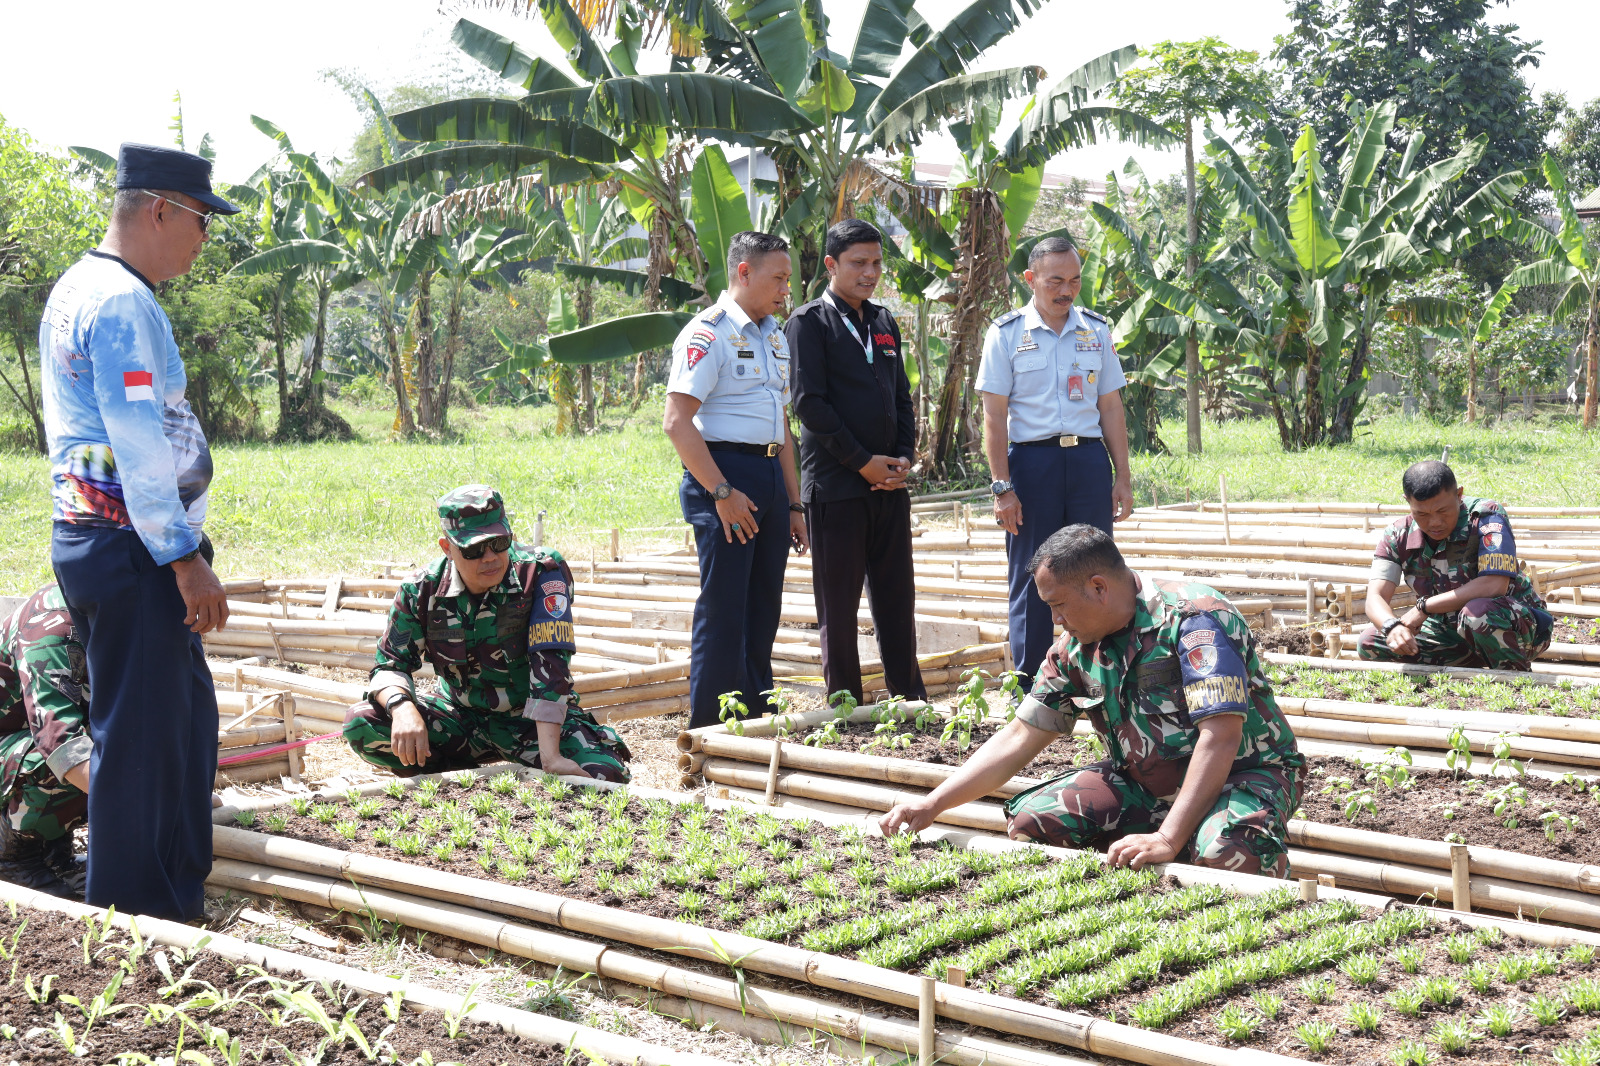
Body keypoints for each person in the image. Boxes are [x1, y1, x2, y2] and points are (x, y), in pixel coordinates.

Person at [40, 142, 234, 922]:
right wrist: (185, 560)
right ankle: (136, 915)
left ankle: (176, 884)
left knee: (180, 718)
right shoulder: (119, 302)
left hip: (103, 541)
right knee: (142, 737)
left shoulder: (80, 287)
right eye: (199, 220)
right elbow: (138, 443)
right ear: (159, 209)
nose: (204, 237)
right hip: (134, 548)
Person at [880, 525, 1304, 878]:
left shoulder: (1194, 618)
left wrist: (1168, 838)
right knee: (1032, 822)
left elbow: (1221, 737)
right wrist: (933, 803)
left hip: (1246, 774)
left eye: (1059, 605)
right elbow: (1020, 735)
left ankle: (1198, 837)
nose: (1055, 620)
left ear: (1099, 587)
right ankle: (1173, 838)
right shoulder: (1074, 650)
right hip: (1147, 783)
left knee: (1225, 856)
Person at [348, 485, 631, 782]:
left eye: (499, 543)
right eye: (473, 549)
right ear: (447, 548)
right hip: (460, 717)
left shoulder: (540, 572)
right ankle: (448, 784)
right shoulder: (422, 590)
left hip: (531, 722)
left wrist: (551, 757)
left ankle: (527, 766)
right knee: (362, 724)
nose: (490, 557)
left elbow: (551, 666)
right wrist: (402, 708)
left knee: (602, 775)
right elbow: (389, 665)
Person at [664, 231, 810, 729]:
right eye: (778, 278)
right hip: (725, 475)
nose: (785, 289)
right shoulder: (709, 333)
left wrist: (794, 503)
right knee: (724, 605)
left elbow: (782, 426)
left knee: (764, 605)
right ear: (743, 273)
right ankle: (710, 725)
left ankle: (754, 713)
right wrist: (721, 492)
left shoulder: (771, 333)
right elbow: (677, 422)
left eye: (788, 280)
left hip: (768, 474)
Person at [975, 238, 1135, 686]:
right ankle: (1031, 685)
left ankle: (1105, 678)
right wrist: (1001, 487)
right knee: (1032, 574)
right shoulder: (1006, 334)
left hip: (1086, 461)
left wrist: (1122, 476)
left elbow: (1111, 407)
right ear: (1030, 280)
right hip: (1031, 465)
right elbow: (993, 414)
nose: (1067, 290)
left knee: (1098, 569)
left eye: (1075, 280)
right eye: (1056, 281)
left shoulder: (1096, 330)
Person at [787, 219, 924, 704]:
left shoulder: (884, 322)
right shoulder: (808, 324)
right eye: (858, 263)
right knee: (839, 608)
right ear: (831, 265)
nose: (870, 273)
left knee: (896, 599)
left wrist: (903, 457)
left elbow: (901, 398)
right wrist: (863, 461)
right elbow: (809, 405)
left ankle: (909, 699)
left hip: (889, 486)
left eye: (876, 263)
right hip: (837, 488)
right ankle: (844, 705)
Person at [1360, 461, 1553, 670]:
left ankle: (1514, 678)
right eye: (1422, 514)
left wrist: (1424, 607)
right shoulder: (1397, 535)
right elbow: (1375, 598)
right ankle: (1472, 661)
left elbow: (1494, 585)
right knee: (1369, 642)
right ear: (1407, 502)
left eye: (1443, 511)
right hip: (1449, 634)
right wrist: (1392, 627)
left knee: (1477, 613)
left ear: (1459, 494)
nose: (1434, 522)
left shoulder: (1486, 516)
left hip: (1515, 627)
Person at [0, 585, 92, 899]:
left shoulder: (119, 615)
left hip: (19, 738)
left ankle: (54, 853)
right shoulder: (53, 626)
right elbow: (58, 741)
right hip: (16, 747)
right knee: (63, 762)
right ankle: (14, 859)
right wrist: (135, 804)